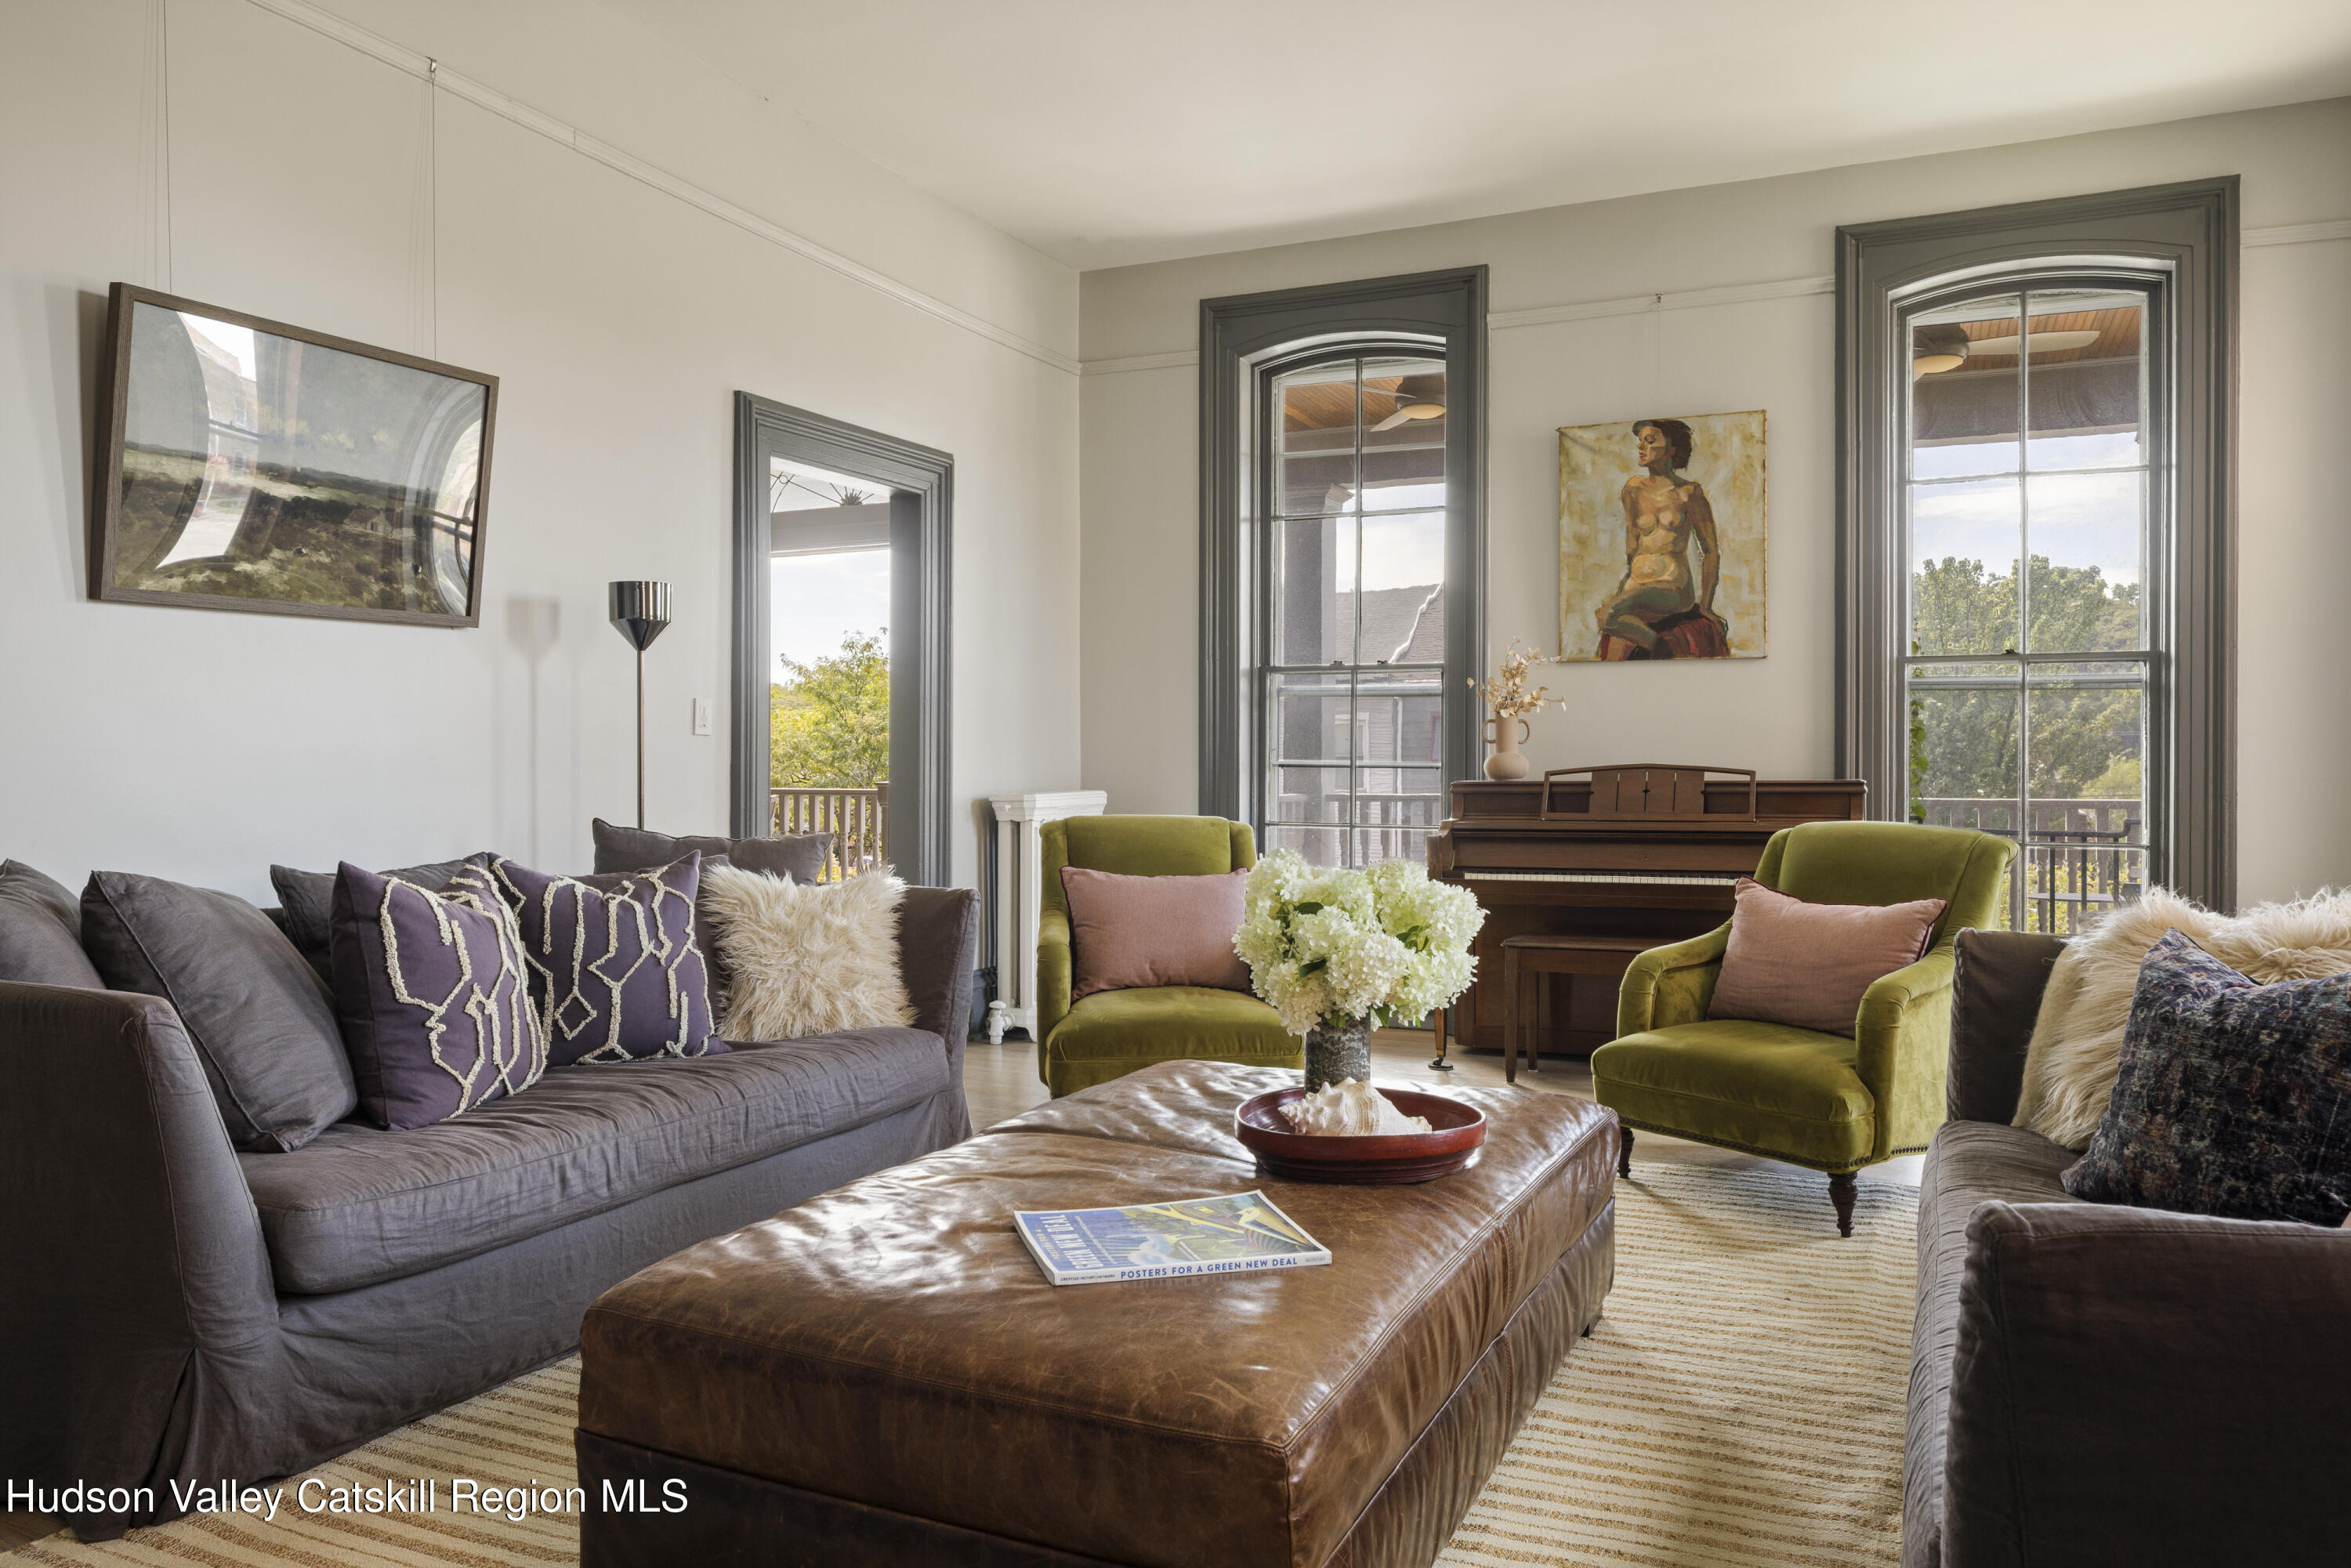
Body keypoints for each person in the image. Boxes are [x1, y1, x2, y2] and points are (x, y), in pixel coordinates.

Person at [1592, 418, 1727, 657]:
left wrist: (1706, 606)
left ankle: (1661, 649)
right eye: (1640, 441)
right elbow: (1633, 546)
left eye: (1650, 441)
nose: (1641, 446)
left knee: (1607, 615)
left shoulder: (1689, 493)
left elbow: (1710, 551)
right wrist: (1625, 588)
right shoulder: (1632, 490)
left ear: (1671, 449)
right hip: (1638, 588)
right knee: (1613, 641)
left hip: (1672, 587)